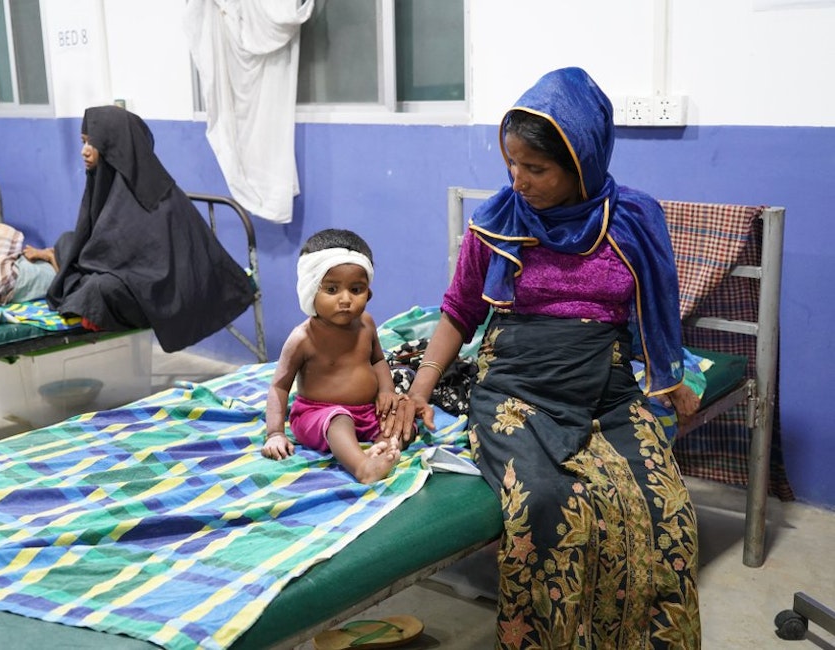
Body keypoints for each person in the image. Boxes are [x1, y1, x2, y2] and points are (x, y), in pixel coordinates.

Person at [390, 68, 702, 648]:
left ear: (581, 162)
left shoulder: (630, 220)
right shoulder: (499, 221)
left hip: (604, 386)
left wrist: (668, 376)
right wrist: (418, 390)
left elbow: (656, 306)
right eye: (511, 163)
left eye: (536, 168)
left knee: (667, 513)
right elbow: (460, 311)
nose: (519, 179)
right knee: (544, 505)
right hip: (516, 385)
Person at [45, 105, 255, 352]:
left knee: (98, 290)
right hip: (117, 267)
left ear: (113, 146)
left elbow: (158, 263)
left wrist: (100, 264)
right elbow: (95, 238)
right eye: (83, 142)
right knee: (67, 242)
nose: (84, 152)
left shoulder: (157, 194)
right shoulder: (103, 182)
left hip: (153, 279)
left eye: (92, 144)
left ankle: (63, 269)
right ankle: (54, 259)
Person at [261, 229, 403, 484]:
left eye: (356, 289)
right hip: (318, 415)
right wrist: (275, 433)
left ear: (368, 293)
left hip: (366, 411)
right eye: (332, 289)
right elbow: (279, 386)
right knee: (338, 419)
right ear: (310, 290)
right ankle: (362, 467)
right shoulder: (302, 338)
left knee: (401, 421)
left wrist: (386, 391)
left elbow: (378, 361)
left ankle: (381, 447)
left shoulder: (366, 324)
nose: (346, 299)